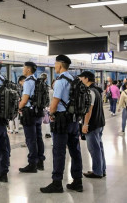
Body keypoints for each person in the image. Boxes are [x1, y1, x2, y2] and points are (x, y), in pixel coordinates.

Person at [40, 55, 83, 193]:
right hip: (74, 120)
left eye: (55, 63)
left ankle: (57, 183)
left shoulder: (60, 81)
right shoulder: (74, 79)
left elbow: (55, 103)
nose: (54, 66)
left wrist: (51, 114)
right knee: (75, 151)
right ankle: (77, 181)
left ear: (60, 65)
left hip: (61, 121)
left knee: (59, 152)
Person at [18, 62, 45, 173]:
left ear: (28, 69)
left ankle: (32, 164)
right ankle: (40, 162)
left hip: (29, 113)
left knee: (30, 139)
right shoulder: (36, 80)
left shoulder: (28, 82)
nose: (23, 69)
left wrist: (18, 107)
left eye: (24, 67)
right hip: (38, 113)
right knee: (38, 138)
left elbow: (24, 99)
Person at [79, 71, 106, 178]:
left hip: (93, 124)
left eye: (81, 78)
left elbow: (88, 110)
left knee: (94, 149)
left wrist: (85, 124)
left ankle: (97, 172)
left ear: (86, 78)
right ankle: (101, 169)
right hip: (99, 123)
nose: (80, 80)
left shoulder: (90, 92)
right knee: (99, 147)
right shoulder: (97, 90)